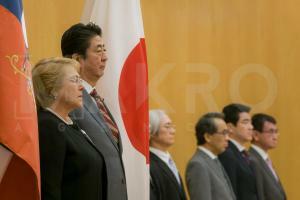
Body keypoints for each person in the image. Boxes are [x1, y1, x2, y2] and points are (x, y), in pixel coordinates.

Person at [61, 23, 127, 200]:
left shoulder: (96, 98)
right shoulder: (67, 100)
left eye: (105, 50)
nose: (105, 57)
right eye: (98, 51)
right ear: (77, 59)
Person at [32, 57, 105, 200]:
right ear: (52, 89)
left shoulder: (70, 124)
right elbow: (49, 189)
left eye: (80, 80)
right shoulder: (48, 126)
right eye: (74, 80)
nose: (81, 87)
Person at [186, 112, 236, 200]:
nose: (227, 138)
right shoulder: (198, 165)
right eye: (224, 133)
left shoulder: (214, 159)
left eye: (227, 133)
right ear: (208, 137)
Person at [218, 103, 259, 200]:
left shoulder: (242, 153)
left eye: (251, 122)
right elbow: (231, 192)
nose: (251, 127)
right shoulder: (227, 154)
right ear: (230, 127)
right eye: (245, 122)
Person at [149, 109, 187, 200]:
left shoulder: (168, 160)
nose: (173, 131)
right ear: (152, 131)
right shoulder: (148, 164)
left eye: (172, 126)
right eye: (167, 127)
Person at [249, 113, 287, 200]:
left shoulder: (265, 159)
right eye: (271, 132)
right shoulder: (252, 160)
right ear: (255, 135)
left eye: (276, 132)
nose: (275, 137)